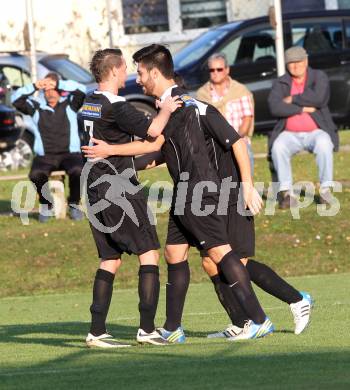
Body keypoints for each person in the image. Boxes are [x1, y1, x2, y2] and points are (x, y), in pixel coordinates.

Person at [83, 46, 313, 342]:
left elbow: (237, 143)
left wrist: (246, 185)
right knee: (175, 253)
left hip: (204, 191)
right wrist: (125, 163)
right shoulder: (167, 109)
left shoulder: (191, 106)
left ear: (154, 72)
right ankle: (173, 328)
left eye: (140, 72)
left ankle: (261, 318)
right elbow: (165, 150)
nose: (136, 79)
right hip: (184, 192)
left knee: (224, 256)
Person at [81, 48, 181, 348]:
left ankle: (97, 331)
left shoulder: (88, 103)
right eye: (125, 68)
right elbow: (152, 131)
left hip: (93, 187)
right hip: (119, 188)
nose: (128, 73)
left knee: (109, 258)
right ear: (113, 71)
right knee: (148, 252)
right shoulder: (117, 106)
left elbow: (103, 144)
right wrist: (166, 108)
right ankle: (147, 329)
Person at [268, 46, 338, 209]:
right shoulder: (281, 82)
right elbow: (275, 107)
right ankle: (287, 194)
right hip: (289, 133)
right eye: (291, 63)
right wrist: (302, 108)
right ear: (287, 65)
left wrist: (292, 98)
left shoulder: (318, 77)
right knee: (278, 147)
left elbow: (319, 98)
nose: (295, 65)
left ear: (306, 61)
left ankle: (325, 190)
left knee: (324, 144)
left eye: (299, 61)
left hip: (317, 131)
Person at [11, 73, 86, 222]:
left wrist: (59, 83)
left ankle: (74, 204)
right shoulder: (36, 107)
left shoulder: (70, 104)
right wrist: (34, 86)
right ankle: (46, 205)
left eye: (53, 88)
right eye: (46, 89)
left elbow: (82, 90)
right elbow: (15, 99)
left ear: (59, 90)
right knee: (35, 174)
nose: (50, 92)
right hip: (45, 156)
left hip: (70, 154)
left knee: (78, 171)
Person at [197, 53, 255, 173]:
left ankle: (247, 188)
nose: (215, 72)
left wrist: (235, 140)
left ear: (227, 70)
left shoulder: (240, 91)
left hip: (239, 139)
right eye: (212, 70)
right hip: (214, 143)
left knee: (245, 152)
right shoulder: (202, 94)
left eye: (219, 69)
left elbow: (247, 120)